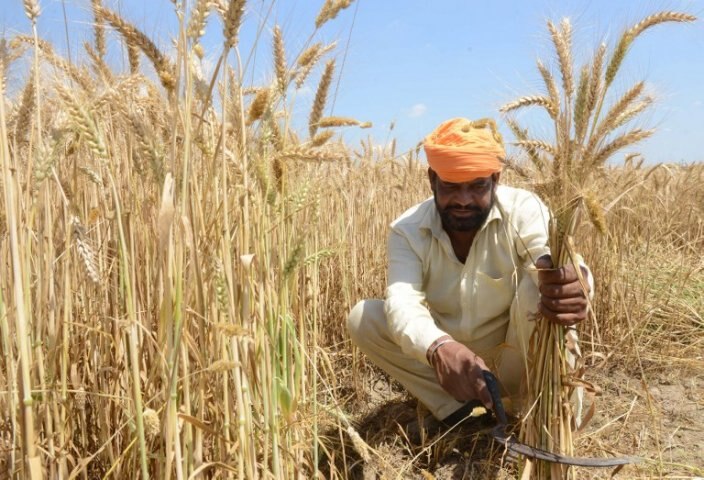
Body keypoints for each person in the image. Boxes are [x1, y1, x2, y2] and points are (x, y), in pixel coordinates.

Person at [346, 117, 590, 436]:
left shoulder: (523, 209)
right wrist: (438, 347)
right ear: (432, 179)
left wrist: (576, 283)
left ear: (496, 179)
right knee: (364, 317)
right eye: (450, 186)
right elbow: (402, 304)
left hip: (521, 359)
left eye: (477, 186)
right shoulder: (407, 231)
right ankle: (461, 414)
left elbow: (552, 260)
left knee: (542, 288)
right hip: (456, 370)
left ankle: (551, 411)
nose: (463, 200)